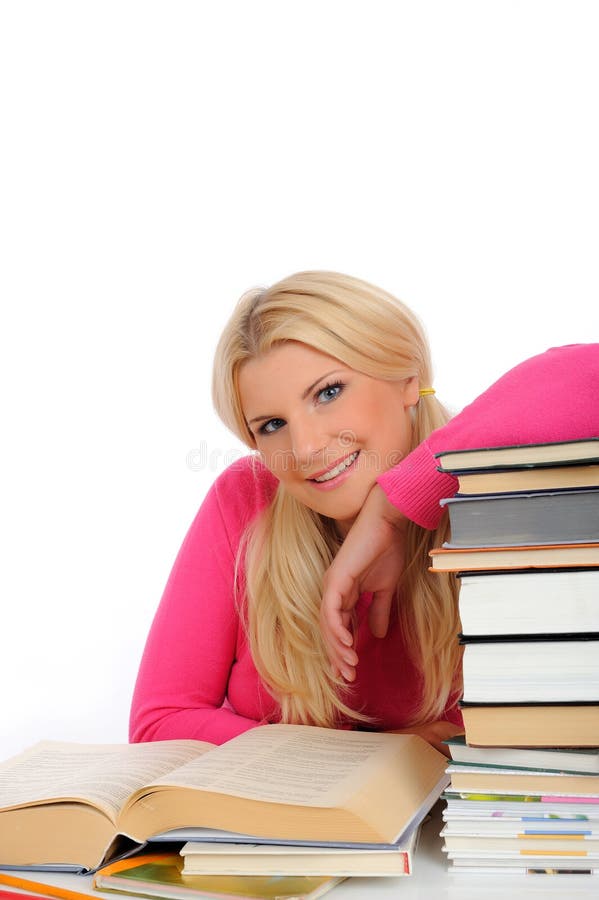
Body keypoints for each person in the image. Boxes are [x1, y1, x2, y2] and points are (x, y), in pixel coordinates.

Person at [129, 271, 599, 754]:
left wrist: (398, 503)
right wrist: (376, 754)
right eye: (272, 425)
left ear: (407, 379)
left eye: (328, 393)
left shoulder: (493, 485)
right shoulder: (246, 500)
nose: (306, 448)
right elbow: (160, 722)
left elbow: (590, 372)